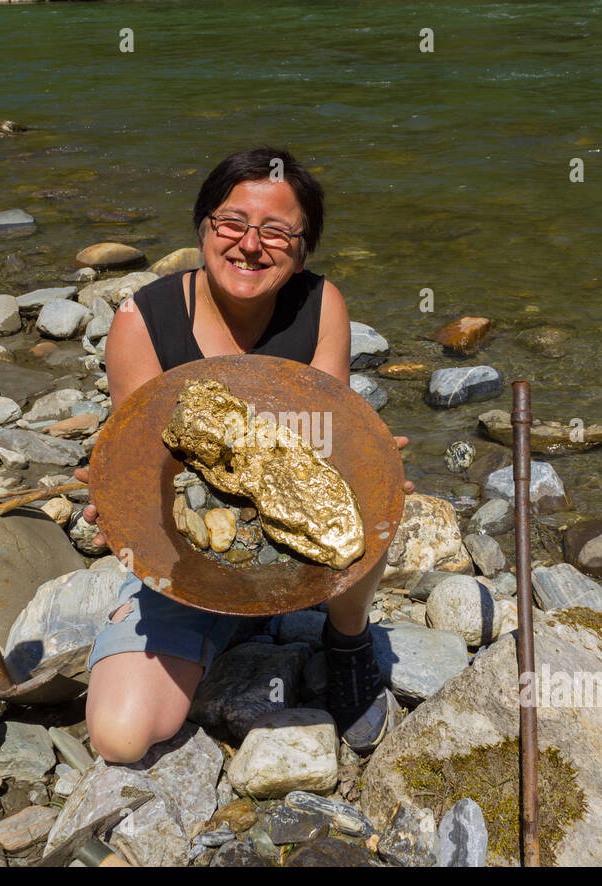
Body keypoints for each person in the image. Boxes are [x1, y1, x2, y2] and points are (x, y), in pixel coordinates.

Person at [72, 147, 413, 766]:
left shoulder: (319, 305)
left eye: (277, 230)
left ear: (303, 247)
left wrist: (366, 460)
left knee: (376, 491)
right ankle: (220, 621)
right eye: (232, 223)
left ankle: (346, 638)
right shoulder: (142, 320)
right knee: (119, 738)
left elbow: (321, 438)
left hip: (290, 542)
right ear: (203, 226)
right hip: (188, 552)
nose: (250, 245)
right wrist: (117, 505)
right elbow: (146, 464)